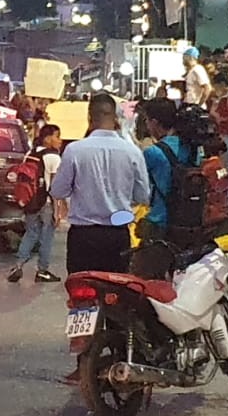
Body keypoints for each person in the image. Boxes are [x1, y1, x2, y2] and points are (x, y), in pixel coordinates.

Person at [50, 94, 150, 275]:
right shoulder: (132, 152)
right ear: (115, 118)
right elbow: (143, 196)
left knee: (81, 292)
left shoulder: (74, 150)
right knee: (116, 292)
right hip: (118, 235)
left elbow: (58, 190)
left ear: (90, 117)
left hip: (83, 236)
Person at [8, 124, 63, 283]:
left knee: (31, 233)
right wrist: (58, 210)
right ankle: (43, 271)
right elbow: (55, 186)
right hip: (45, 203)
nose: (59, 140)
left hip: (30, 201)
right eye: (57, 136)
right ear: (47, 138)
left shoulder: (30, 154)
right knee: (47, 237)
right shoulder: (53, 157)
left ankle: (18, 265)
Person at [138, 98, 189, 241]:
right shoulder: (191, 148)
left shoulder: (153, 152)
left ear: (154, 122)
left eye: (147, 121)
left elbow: (139, 187)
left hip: (159, 221)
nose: (147, 125)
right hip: (189, 220)